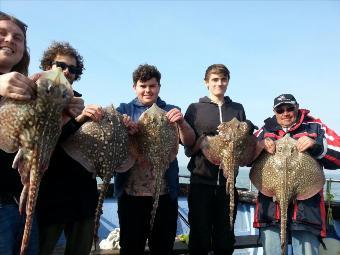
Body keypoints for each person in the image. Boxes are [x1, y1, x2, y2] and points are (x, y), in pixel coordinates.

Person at [115, 63, 195, 255]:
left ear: (159, 87)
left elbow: (189, 142)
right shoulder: (124, 109)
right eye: (143, 86)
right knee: (131, 247)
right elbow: (113, 145)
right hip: (131, 195)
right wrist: (124, 130)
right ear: (135, 87)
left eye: (152, 86)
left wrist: (182, 122)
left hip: (165, 194)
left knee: (162, 247)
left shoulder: (170, 110)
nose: (148, 90)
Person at [36, 41, 103, 255]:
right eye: (61, 66)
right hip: (51, 198)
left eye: (73, 69)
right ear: (48, 66)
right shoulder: (35, 99)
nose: (67, 71)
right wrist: (78, 119)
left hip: (83, 198)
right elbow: (44, 142)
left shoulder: (81, 103)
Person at [184, 64, 248, 255]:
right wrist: (204, 141)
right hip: (201, 183)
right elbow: (188, 148)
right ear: (206, 83)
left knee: (225, 239)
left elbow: (244, 141)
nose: (219, 83)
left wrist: (249, 127)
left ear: (228, 81)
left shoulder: (237, 109)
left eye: (223, 79)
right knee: (199, 238)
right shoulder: (194, 109)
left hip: (228, 186)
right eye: (214, 79)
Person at [253, 93, 327, 255]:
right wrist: (260, 145)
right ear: (275, 112)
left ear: (297, 107)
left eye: (290, 108)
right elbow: (246, 157)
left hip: (306, 212)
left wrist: (315, 145)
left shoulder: (314, 127)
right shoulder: (264, 131)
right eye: (280, 110)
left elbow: (338, 153)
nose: (285, 113)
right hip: (271, 212)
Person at [0, 11, 39, 255]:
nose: (10, 40)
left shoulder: (28, 90)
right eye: (2, 33)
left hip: (22, 205)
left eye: (18, 37)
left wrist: (67, 115)